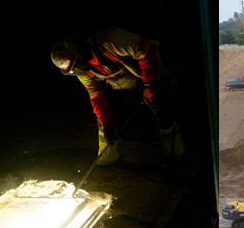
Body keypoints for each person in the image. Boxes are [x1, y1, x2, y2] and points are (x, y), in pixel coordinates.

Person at [51, 28, 184, 165]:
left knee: (160, 107)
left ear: (79, 53)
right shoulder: (83, 73)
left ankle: (176, 154)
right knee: (105, 119)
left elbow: (146, 51)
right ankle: (107, 157)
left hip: (147, 73)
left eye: (75, 64)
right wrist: (106, 125)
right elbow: (97, 97)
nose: (78, 70)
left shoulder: (109, 40)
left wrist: (149, 84)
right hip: (120, 85)